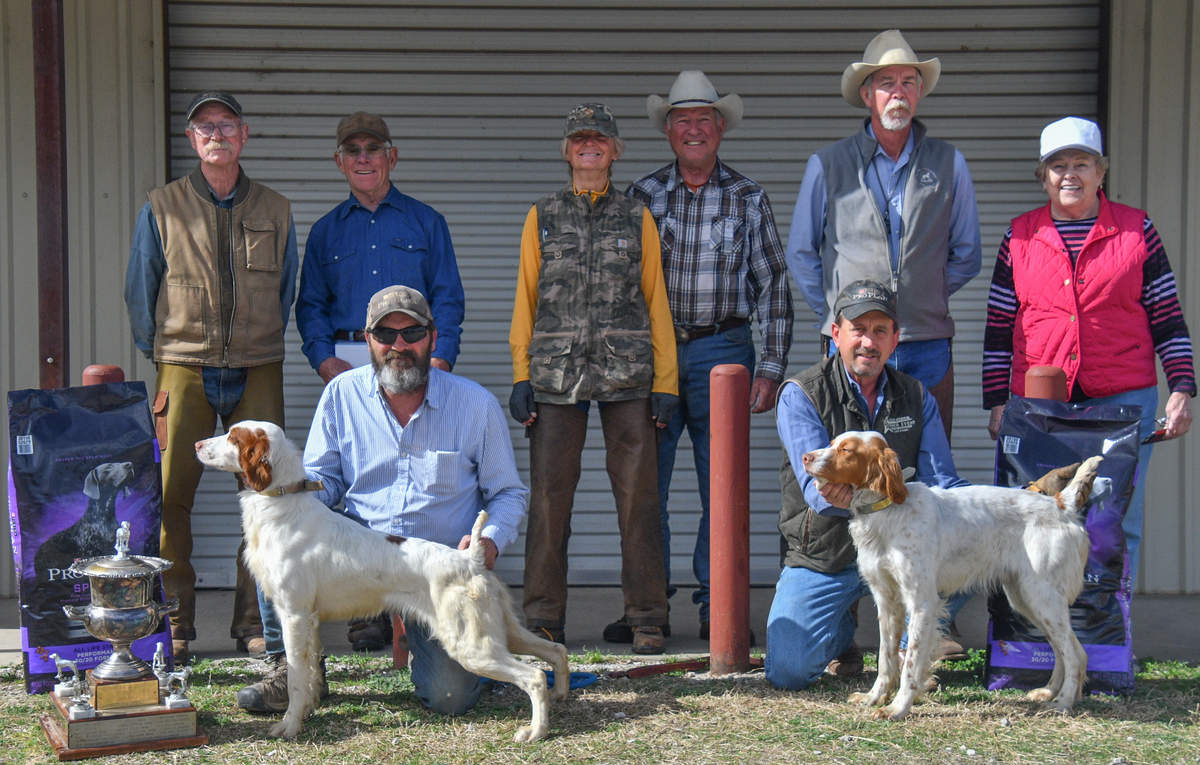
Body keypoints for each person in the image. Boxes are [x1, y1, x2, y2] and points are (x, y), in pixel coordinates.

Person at [238, 285, 528, 714]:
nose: (399, 346)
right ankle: (291, 669)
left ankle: (445, 650)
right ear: (367, 340)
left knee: (450, 699)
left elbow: (508, 493)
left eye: (411, 333)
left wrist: (490, 541)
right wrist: (288, 499)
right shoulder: (340, 395)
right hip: (360, 557)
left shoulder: (475, 405)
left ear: (432, 336)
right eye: (385, 335)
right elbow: (324, 481)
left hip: (435, 570)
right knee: (276, 540)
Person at [124, 90, 298, 663]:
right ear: (192, 140)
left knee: (265, 490)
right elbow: (139, 288)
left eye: (226, 125)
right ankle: (175, 622)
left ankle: (255, 623)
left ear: (244, 135)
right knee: (170, 496)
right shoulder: (162, 205)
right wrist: (167, 354)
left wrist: (258, 339)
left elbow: (287, 287)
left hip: (257, 366)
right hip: (184, 367)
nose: (216, 134)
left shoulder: (276, 207)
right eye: (205, 127)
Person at [982, 116, 1195, 584]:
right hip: (1040, 402)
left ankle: (1109, 640)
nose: (1070, 174)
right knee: (1033, 515)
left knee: (1115, 519)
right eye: (1058, 166)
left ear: (1102, 173)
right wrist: (997, 401)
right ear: (1044, 178)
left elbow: (1167, 316)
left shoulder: (1137, 231)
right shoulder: (1020, 236)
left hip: (1122, 398)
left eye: (1082, 163)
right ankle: (1036, 642)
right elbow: (999, 327)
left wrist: (1182, 387)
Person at [621, 70, 793, 641]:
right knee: (648, 486)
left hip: (728, 347)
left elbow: (774, 285)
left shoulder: (748, 197)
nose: (693, 130)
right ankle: (650, 608)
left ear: (720, 128)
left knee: (722, 487)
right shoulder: (642, 196)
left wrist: (770, 367)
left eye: (703, 119)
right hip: (657, 355)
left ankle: (715, 607)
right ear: (668, 131)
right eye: (682, 120)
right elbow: (622, 289)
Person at [508, 103, 677, 655]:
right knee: (550, 501)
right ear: (567, 150)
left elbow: (657, 301)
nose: (589, 147)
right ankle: (543, 618)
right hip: (556, 377)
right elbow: (525, 301)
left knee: (639, 499)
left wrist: (666, 383)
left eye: (599, 139)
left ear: (614, 150)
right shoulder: (543, 215)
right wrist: (520, 374)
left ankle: (647, 616)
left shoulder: (637, 216)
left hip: (628, 375)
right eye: (580, 139)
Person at [296, 110, 466, 650]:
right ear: (339, 161)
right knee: (353, 477)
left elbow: (448, 298)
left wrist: (439, 360)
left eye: (374, 149)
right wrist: (325, 361)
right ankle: (366, 607)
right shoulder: (326, 231)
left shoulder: (425, 222)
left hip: (410, 356)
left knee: (410, 472)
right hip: (350, 358)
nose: (364, 158)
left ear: (392, 156)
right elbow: (311, 305)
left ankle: (416, 591)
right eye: (354, 151)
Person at [766, 280, 969, 690]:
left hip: (900, 548)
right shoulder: (801, 393)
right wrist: (844, 493)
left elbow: (941, 479)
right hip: (828, 552)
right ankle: (841, 637)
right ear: (834, 333)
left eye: (880, 331)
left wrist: (1003, 506)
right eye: (857, 329)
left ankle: (908, 647)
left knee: (969, 552)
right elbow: (816, 491)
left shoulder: (916, 395)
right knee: (788, 672)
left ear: (895, 339)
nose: (868, 342)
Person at [785, 29, 981, 441]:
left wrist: (927, 293)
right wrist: (838, 314)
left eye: (908, 82)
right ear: (867, 93)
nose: (898, 93)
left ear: (920, 91)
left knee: (928, 463)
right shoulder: (827, 164)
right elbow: (802, 253)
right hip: (856, 343)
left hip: (925, 343)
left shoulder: (949, 162)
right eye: (887, 83)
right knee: (855, 462)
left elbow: (968, 253)